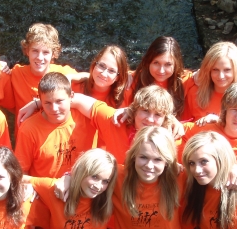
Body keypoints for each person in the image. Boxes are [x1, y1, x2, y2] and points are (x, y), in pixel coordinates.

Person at [14, 72, 97, 229]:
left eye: (60, 101)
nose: (54, 108)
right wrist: (52, 185)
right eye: (47, 103)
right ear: (39, 101)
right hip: (47, 207)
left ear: (72, 97)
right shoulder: (30, 128)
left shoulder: (87, 120)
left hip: (85, 202)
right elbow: (18, 174)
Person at [20, 84, 181, 164]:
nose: (150, 119)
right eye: (145, 111)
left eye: (158, 114)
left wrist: (175, 122)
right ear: (134, 110)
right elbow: (77, 100)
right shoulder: (115, 121)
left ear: (165, 118)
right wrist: (38, 103)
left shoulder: (173, 138)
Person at [10, 23, 77, 129]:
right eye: (35, 51)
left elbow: (93, 77)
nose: (40, 57)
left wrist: (71, 77)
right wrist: (0, 65)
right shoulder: (17, 73)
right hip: (26, 136)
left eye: (45, 52)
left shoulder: (64, 73)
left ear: (53, 54)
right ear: (27, 51)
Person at [181, 42, 237, 123]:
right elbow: (183, 126)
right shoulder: (194, 93)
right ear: (208, 70)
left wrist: (218, 122)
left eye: (227, 70)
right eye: (215, 70)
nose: (221, 76)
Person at [131, 36, 190, 117]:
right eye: (156, 63)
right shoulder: (133, 80)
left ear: (176, 65)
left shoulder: (186, 81)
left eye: (168, 64)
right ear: (148, 62)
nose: (161, 71)